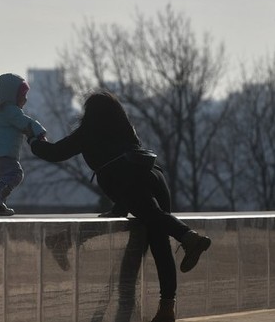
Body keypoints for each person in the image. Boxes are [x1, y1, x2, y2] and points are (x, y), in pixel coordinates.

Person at [29, 90, 211, 322]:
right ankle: (167, 308)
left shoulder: (89, 130)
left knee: (153, 219)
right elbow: (128, 159)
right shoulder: (125, 128)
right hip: (155, 175)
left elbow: (55, 153)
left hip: (127, 177)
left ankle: (189, 237)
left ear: (90, 113)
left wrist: (34, 141)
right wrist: (120, 208)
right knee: (160, 242)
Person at [0, 73, 46, 216]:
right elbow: (26, 122)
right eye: (23, 95)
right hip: (4, 153)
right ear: (12, 96)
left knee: (6, 178)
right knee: (15, 174)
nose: (26, 99)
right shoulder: (11, 111)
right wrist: (39, 133)